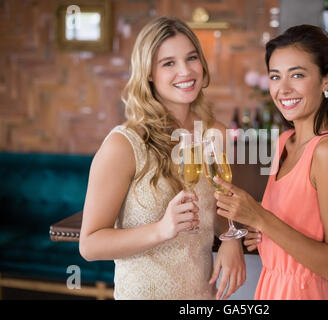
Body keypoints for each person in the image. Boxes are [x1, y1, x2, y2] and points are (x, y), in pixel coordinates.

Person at [79, 16, 245, 300]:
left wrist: (231, 239)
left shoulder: (215, 133)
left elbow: (220, 204)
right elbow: (90, 245)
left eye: (191, 58)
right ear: (149, 74)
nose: (185, 71)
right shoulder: (124, 144)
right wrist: (161, 230)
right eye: (168, 63)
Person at [213, 25, 328, 300]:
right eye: (275, 76)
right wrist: (266, 235)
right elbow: (291, 227)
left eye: (298, 75)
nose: (284, 88)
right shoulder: (284, 142)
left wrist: (262, 219)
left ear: (327, 80)